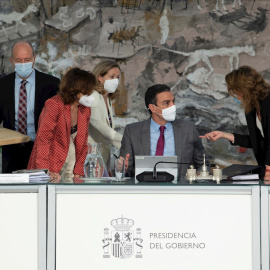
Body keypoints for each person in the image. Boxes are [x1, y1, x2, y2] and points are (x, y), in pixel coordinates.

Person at [120, 84, 205, 178]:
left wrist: (198, 177)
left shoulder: (188, 129)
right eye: (166, 103)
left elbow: (202, 164)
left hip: (180, 189)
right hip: (145, 189)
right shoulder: (132, 131)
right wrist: (122, 168)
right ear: (153, 108)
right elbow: (125, 168)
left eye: (173, 101)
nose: (173, 106)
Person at [200, 66, 270, 180]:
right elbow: (256, 141)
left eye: (235, 90)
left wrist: (268, 168)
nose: (234, 94)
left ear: (244, 87)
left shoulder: (268, 102)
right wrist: (223, 135)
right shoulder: (251, 109)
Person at [0, 40, 60, 173]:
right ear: (12, 61)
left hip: (41, 151)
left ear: (34, 59)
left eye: (26, 59)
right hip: (11, 152)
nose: (23, 64)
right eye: (18, 60)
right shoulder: (2, 85)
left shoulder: (52, 84)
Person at [27, 68, 96, 180]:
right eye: (88, 91)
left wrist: (79, 170)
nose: (90, 94)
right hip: (51, 166)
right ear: (76, 90)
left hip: (71, 168)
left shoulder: (85, 109)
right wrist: (44, 171)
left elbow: (83, 142)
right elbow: (43, 139)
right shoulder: (54, 105)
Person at [88, 60, 123, 171]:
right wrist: (128, 142)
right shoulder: (93, 97)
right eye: (111, 76)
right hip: (89, 157)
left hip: (103, 156)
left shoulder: (106, 99)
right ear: (100, 77)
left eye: (117, 77)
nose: (115, 80)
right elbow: (100, 126)